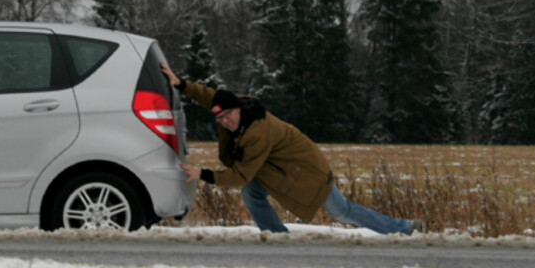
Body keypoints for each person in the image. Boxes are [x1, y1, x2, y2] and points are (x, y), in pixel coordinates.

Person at [161, 63, 423, 235]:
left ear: (237, 108)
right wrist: (181, 84)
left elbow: (239, 174)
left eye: (228, 115)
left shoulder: (257, 134)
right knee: (252, 192)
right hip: (280, 169)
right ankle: (278, 238)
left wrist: (202, 174)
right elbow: (212, 98)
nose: (225, 121)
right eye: (220, 119)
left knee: (343, 211)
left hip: (305, 173)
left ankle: (405, 228)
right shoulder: (239, 108)